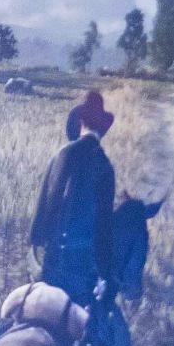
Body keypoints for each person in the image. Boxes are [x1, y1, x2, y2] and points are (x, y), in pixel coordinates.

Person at [29, 90, 116, 305]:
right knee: (88, 318)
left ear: (80, 123)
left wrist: (36, 244)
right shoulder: (105, 166)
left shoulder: (63, 154)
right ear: (102, 130)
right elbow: (104, 226)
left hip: (51, 260)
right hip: (81, 266)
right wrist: (104, 272)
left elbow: (45, 202)